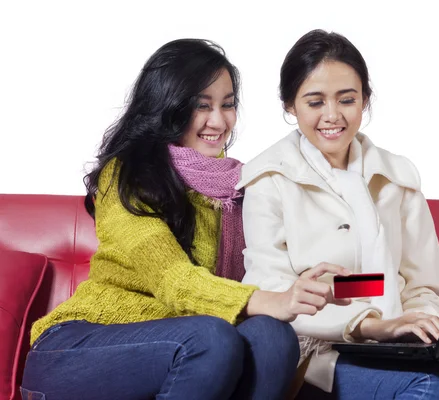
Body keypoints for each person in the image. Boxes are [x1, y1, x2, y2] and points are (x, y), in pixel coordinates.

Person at [20, 38, 349, 400]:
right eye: (201, 106)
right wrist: (272, 300)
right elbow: (173, 280)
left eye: (228, 105)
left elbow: (274, 266)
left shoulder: (246, 188)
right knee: (211, 337)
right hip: (80, 349)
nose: (219, 121)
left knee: (273, 336)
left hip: (196, 351)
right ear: (169, 106)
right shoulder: (127, 175)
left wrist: (319, 284)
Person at [237, 30, 439, 399]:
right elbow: (272, 294)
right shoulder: (268, 178)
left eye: (347, 99)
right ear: (290, 105)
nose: (332, 116)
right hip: (321, 349)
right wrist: (368, 324)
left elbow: (421, 285)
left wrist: (423, 326)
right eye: (314, 102)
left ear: (365, 99)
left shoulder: (397, 177)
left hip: (399, 340)